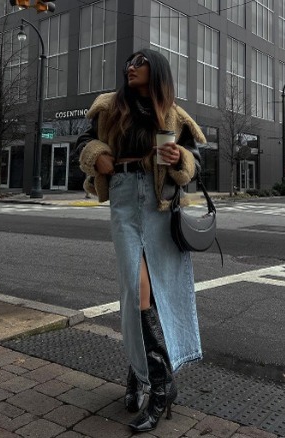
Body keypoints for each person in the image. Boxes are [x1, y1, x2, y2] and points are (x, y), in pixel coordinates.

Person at [77, 49, 205, 433]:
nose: (130, 67)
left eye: (139, 63)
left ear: (157, 70)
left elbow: (195, 162)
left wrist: (179, 155)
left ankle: (147, 379)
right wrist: (97, 153)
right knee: (136, 290)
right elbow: (84, 141)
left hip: (160, 205)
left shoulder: (174, 114)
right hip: (124, 195)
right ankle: (156, 382)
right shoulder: (108, 107)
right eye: (128, 63)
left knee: (150, 292)